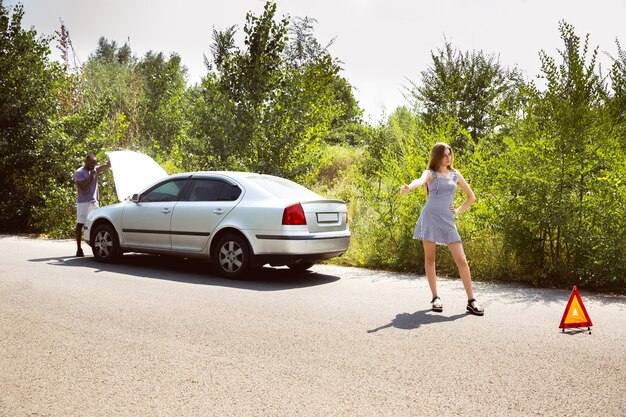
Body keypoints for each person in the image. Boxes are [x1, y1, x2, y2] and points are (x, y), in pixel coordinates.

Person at [400, 142, 484, 316]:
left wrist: (458, 211)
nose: (448, 157)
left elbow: (471, 197)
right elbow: (420, 180)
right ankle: (435, 297)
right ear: (437, 156)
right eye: (445, 154)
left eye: (450, 154)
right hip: (429, 218)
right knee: (430, 259)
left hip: (447, 221)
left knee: (462, 260)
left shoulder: (455, 174)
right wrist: (409, 187)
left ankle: (471, 300)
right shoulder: (430, 173)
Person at [74, 153, 110, 257]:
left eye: (94, 164)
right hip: (83, 203)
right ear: (86, 161)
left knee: (97, 223)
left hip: (94, 202)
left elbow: (105, 166)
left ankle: (97, 247)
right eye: (90, 164)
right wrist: (92, 175)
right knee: (80, 224)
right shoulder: (79, 172)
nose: (92, 166)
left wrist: (111, 162)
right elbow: (83, 188)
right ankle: (79, 249)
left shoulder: (94, 169)